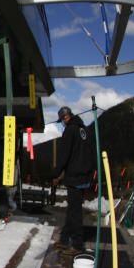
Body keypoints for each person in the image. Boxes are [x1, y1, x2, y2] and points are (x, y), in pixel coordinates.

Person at [52, 106, 95, 251]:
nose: (62, 123)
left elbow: (64, 155)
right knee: (73, 209)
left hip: (74, 176)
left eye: (62, 120)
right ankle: (64, 239)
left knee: (75, 212)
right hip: (84, 176)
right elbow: (91, 153)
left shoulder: (70, 131)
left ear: (66, 117)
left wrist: (56, 174)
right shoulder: (85, 130)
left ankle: (77, 243)